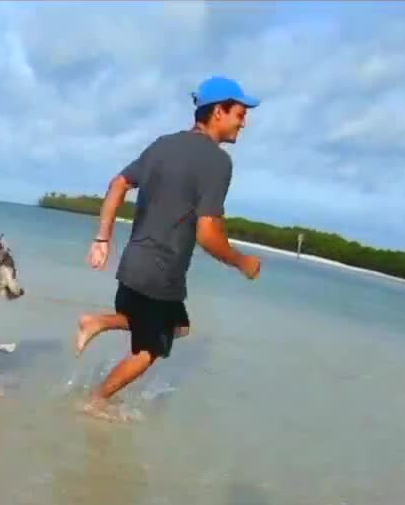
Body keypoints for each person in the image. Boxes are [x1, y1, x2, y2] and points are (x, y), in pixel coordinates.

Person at [75, 75, 264, 418]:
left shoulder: (163, 144)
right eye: (240, 113)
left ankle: (99, 322)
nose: (244, 122)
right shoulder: (218, 162)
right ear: (218, 111)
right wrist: (241, 261)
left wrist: (102, 238)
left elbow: (119, 183)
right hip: (160, 274)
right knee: (150, 352)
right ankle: (96, 401)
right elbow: (208, 234)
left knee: (180, 327)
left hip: (134, 267)